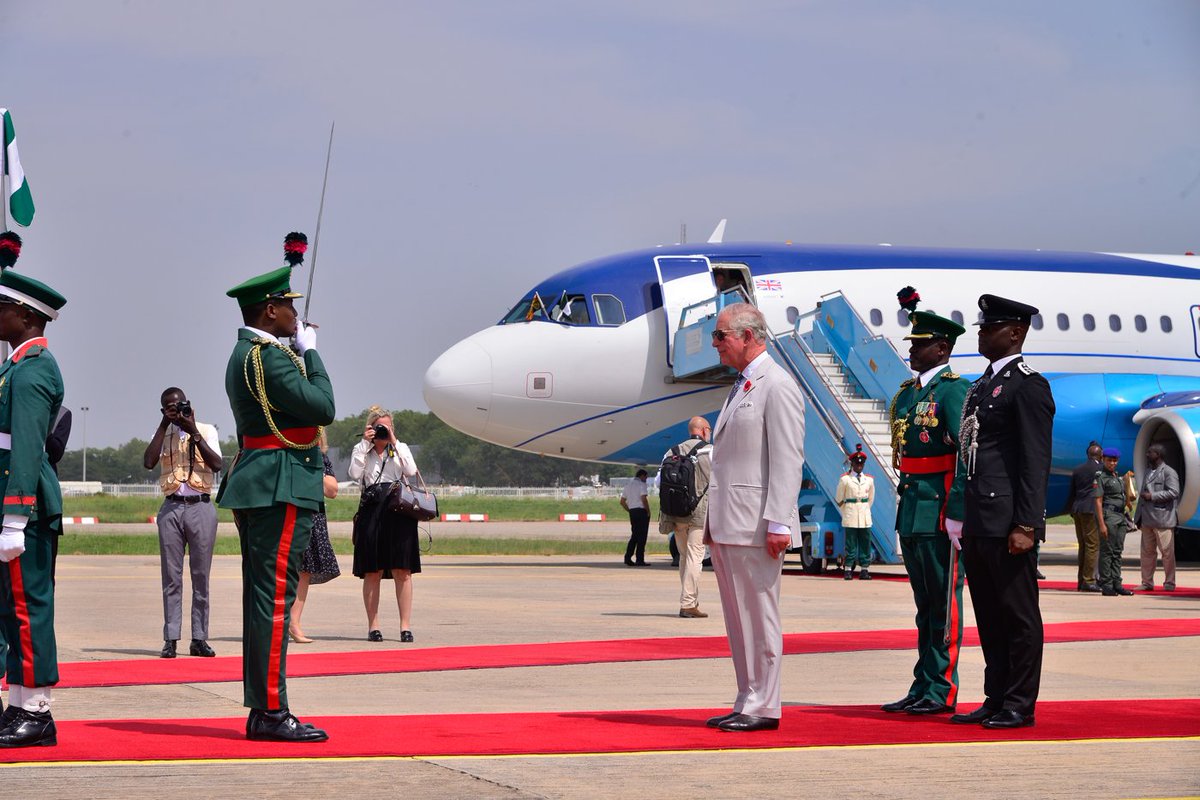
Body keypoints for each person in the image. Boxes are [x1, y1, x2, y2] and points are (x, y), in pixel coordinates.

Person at [216, 263, 335, 743]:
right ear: (270, 310)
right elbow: (322, 406)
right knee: (275, 601)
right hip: (279, 482)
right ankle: (269, 709)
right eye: (289, 306)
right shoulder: (269, 358)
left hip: (262, 480)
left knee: (263, 599)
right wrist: (312, 354)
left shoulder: (249, 354)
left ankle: (263, 706)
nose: (295, 315)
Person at [949, 294, 1055, 730]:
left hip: (1010, 520)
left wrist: (1027, 524)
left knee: (1018, 617)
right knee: (990, 617)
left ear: (1015, 332)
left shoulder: (1028, 385)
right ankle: (995, 697)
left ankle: (1019, 703)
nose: (980, 333)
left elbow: (1035, 461)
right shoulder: (979, 386)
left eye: (989, 328)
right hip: (980, 519)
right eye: (981, 326)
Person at [703, 302, 805, 733]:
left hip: (757, 524)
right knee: (737, 620)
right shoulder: (743, 384)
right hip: (729, 522)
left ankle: (765, 705)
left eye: (721, 336)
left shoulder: (776, 384)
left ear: (748, 336)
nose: (715, 344)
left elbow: (788, 458)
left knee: (760, 618)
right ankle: (748, 697)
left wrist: (780, 521)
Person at [882, 311, 967, 716]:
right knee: (924, 605)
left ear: (942, 348)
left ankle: (942, 688)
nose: (911, 350)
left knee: (943, 603)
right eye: (912, 343)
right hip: (913, 503)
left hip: (939, 505)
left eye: (919, 344)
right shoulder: (908, 393)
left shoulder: (953, 391)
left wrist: (959, 508)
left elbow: (967, 454)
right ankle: (923, 683)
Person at [0, 270, 67, 748]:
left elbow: (25, 448)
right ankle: (19, 703)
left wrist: (14, 518)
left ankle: (37, 711)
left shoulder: (35, 368)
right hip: (13, 503)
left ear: (25, 315)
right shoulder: (14, 367)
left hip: (26, 507)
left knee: (29, 609)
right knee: (11, 610)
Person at [143, 387, 223, 659]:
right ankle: (171, 638)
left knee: (201, 576)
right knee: (171, 577)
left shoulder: (207, 429)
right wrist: (165, 423)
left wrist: (193, 431)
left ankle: (199, 638)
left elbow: (217, 464)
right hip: (172, 507)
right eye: (170, 407)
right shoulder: (162, 433)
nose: (176, 410)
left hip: (201, 506)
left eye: (179, 405)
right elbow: (148, 461)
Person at [349, 406, 421, 643]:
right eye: (378, 427)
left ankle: (405, 626)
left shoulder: (401, 448)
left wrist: (394, 441)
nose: (382, 431)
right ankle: (374, 626)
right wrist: (363, 444)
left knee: (403, 571)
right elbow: (354, 474)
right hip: (372, 511)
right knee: (373, 571)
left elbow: (410, 471)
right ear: (370, 428)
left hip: (399, 512)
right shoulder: (362, 450)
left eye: (386, 427)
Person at [657, 416, 713, 617]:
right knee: (695, 558)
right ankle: (688, 603)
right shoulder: (710, 451)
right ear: (705, 430)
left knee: (685, 558)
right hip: (698, 514)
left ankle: (691, 599)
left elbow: (658, 482)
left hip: (676, 514)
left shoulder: (671, 452)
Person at [289, 430, 341, 643]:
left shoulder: (321, 459)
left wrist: (314, 468)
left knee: (305, 571)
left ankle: (294, 622)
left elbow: (332, 491)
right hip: (290, 512)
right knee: (285, 569)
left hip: (313, 516)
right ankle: (279, 621)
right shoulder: (287, 454)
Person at [1136, 443, 1179, 592]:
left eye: (1150, 453)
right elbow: (1142, 498)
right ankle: (1147, 582)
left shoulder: (1168, 472)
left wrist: (1152, 496)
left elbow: (1174, 492)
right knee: (1147, 552)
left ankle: (1169, 582)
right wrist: (1138, 518)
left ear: (1158, 455)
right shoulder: (1148, 471)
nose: (1147, 455)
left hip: (1163, 519)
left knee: (1167, 553)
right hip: (1147, 520)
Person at [1094, 448, 1134, 597]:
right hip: (1108, 516)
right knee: (1107, 552)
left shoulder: (1117, 476)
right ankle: (1107, 584)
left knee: (1117, 552)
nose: (1112, 463)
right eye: (1109, 460)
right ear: (1103, 459)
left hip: (1120, 517)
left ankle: (1117, 583)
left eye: (1115, 460)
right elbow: (1098, 501)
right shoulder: (1100, 477)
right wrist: (1102, 524)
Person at [1068, 442, 1104, 592]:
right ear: (1100, 456)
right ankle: (1089, 580)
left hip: (1078, 509)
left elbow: (1072, 492)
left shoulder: (1078, 469)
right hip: (1091, 510)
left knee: (1083, 545)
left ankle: (1081, 580)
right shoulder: (1101, 470)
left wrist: (1071, 509)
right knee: (1092, 545)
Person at [836, 445, 875, 581]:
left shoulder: (869, 480)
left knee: (865, 543)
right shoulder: (845, 479)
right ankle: (848, 569)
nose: (859, 466)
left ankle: (864, 569)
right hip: (851, 513)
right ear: (852, 464)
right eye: (857, 464)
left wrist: (864, 508)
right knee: (850, 544)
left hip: (864, 515)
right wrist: (847, 511)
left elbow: (870, 498)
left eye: (861, 464)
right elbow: (839, 499)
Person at [620, 469, 650, 566]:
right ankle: (639, 559)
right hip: (641, 511)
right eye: (646, 477)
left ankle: (628, 557)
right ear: (642, 476)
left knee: (634, 535)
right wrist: (648, 511)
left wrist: (629, 510)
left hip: (633, 512)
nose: (646, 479)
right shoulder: (642, 485)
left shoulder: (628, 486)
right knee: (642, 536)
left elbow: (622, 501)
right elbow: (643, 499)